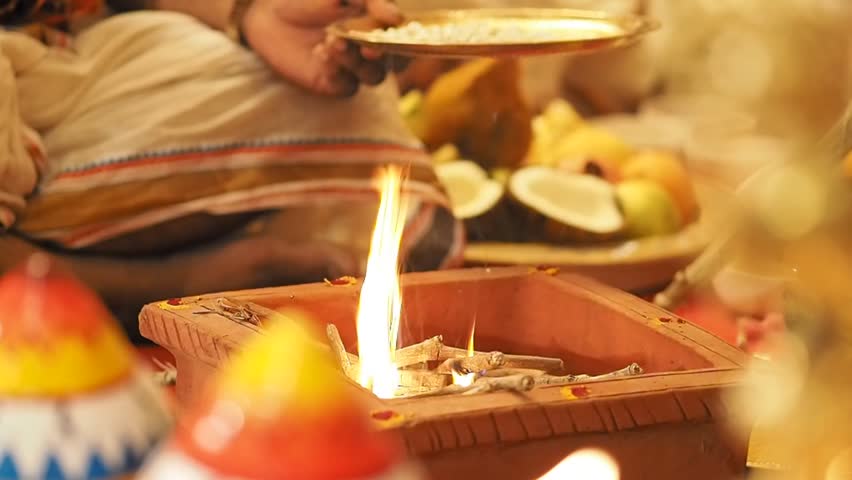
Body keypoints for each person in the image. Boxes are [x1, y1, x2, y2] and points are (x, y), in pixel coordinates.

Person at [0, 0, 463, 336]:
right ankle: (116, 288)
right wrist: (182, 282)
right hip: (29, 98)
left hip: (81, 57)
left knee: (341, 102)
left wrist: (249, 13)